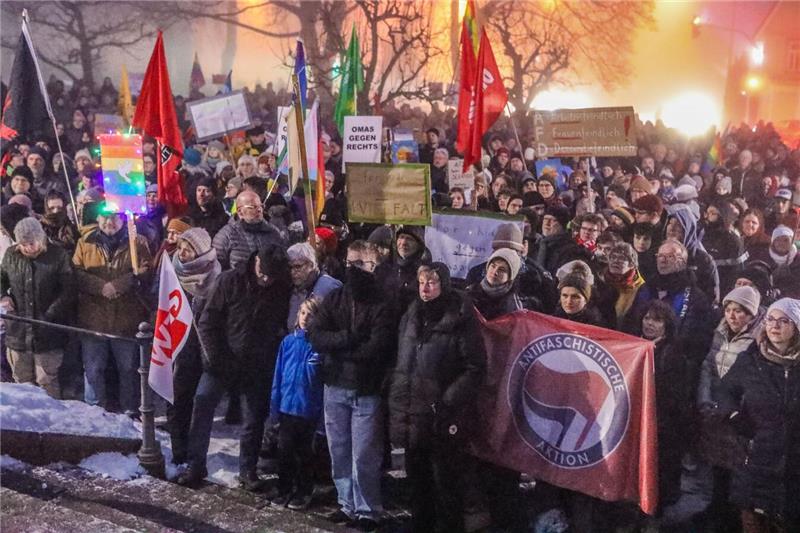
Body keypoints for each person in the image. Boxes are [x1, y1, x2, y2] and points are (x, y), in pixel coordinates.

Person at [180, 245, 291, 489]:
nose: (265, 280)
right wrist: (215, 359)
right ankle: (195, 465)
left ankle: (248, 470)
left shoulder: (280, 286)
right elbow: (208, 323)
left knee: (254, 417)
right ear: (256, 262)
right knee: (203, 403)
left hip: (257, 363)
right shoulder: (230, 280)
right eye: (263, 274)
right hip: (222, 359)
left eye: (271, 277)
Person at [388, 263, 487, 533]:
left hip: (442, 415)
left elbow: (475, 367)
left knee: (445, 482)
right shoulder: (412, 314)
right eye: (422, 282)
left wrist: (447, 400)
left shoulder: (460, 316)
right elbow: (402, 359)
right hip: (412, 411)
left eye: (431, 282)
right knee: (417, 479)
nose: (425, 288)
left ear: (443, 284)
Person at [307, 241, 394, 530]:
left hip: (366, 389)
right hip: (334, 385)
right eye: (348, 263)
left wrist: (339, 348)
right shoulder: (335, 298)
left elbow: (377, 347)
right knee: (339, 450)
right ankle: (346, 503)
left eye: (358, 264)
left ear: (372, 266)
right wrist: (347, 339)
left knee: (364, 454)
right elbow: (316, 334)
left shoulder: (383, 303)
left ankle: (368, 509)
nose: (352, 269)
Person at [714, 298, 800, 532]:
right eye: (770, 319)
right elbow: (725, 389)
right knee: (753, 522)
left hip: (793, 464)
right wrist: (733, 415)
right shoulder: (750, 359)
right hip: (755, 460)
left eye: (784, 321)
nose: (775, 326)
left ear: (796, 327)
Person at [72, 208, 153, 415]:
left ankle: (130, 411)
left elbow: (145, 270)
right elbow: (76, 273)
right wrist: (100, 287)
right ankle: (94, 412)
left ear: (123, 219)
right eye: (105, 217)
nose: (110, 222)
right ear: (98, 219)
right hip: (93, 319)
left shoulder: (137, 242)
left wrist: (119, 285)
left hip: (125, 319)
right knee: (93, 370)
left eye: (115, 217)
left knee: (128, 370)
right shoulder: (85, 242)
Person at [696, 286, 763, 532]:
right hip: (714, 409)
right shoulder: (720, 331)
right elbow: (708, 366)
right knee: (717, 465)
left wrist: (735, 411)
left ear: (751, 314)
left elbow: (754, 381)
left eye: (739, 311)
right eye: (728, 310)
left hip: (737, 414)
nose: (732, 316)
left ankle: (732, 516)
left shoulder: (758, 339)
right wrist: (704, 399)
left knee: (737, 468)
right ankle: (715, 507)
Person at [0, 218, 74, 398]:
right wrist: (3, 296)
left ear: (40, 238)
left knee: (46, 381)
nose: (27, 248)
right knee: (21, 381)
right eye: (23, 245)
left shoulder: (58, 255)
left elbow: (68, 291)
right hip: (18, 332)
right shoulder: (11, 255)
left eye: (31, 243)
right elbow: (1, 279)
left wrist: (50, 314)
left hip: (48, 332)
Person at [167, 228, 221, 466]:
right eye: (180, 248)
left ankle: (196, 457)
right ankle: (179, 452)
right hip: (181, 348)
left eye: (188, 249)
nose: (182, 253)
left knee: (201, 404)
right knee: (178, 400)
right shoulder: (171, 272)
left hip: (209, 351)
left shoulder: (218, 277)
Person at [268, 297, 324, 510]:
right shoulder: (288, 342)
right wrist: (275, 405)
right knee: (284, 451)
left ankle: (303, 490)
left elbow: (320, 381)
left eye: (311, 314)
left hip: (308, 409)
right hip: (286, 407)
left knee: (304, 453)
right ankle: (283, 488)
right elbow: (279, 374)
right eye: (303, 313)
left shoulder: (319, 346)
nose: (305, 318)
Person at [635, 300, 690, 510]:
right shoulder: (633, 346)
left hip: (662, 426)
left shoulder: (673, 354)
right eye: (647, 318)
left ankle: (655, 515)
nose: (649, 323)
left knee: (659, 474)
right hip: (636, 421)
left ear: (667, 326)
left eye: (657, 320)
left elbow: (676, 397)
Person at [212, 190, 286, 271]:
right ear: (240, 212)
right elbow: (215, 268)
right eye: (253, 207)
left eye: (261, 206)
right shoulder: (226, 235)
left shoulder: (273, 232)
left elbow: (283, 261)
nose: (259, 210)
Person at [665, 206, 720, 302]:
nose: (671, 228)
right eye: (670, 223)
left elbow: (712, 297)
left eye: (678, 225)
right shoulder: (658, 256)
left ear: (688, 229)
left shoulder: (704, 260)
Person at [375, 225, 431, 318]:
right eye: (401, 237)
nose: (403, 243)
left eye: (410, 239)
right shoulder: (383, 267)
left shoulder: (424, 273)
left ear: (419, 245)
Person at [286, 242, 342, 330]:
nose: (293, 272)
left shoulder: (329, 287)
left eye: (297, 267)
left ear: (311, 265)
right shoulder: (293, 287)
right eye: (290, 267)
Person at [595, 242, 646, 329]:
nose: (616, 261)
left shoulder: (640, 288)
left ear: (632, 264)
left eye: (622, 258)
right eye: (613, 257)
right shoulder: (598, 281)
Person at [467, 249, 523, 319]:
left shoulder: (513, 306)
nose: (495, 272)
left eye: (501, 270)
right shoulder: (470, 292)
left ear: (510, 277)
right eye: (493, 266)